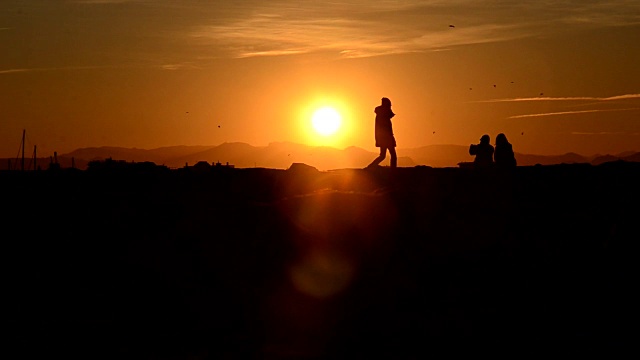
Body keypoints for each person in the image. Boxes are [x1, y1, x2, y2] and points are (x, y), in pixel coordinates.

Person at [367, 97, 397, 168]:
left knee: (383, 155)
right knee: (392, 155)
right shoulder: (383, 116)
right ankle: (393, 170)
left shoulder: (380, 115)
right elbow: (385, 129)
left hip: (383, 138)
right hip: (387, 138)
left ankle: (371, 167)